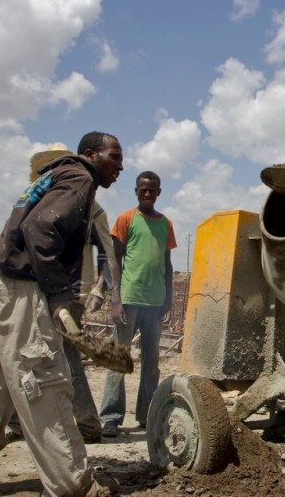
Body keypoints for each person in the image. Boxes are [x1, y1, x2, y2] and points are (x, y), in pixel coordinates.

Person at [0, 132, 124, 497]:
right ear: (91, 155)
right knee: (43, 381)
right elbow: (39, 230)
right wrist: (58, 297)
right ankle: (74, 484)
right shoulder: (79, 177)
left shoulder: (53, 178)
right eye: (114, 156)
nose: (120, 165)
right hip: (21, 286)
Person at [6, 149, 124, 445]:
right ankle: (17, 421)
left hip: (68, 293)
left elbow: (109, 257)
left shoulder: (91, 208)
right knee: (26, 352)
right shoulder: (41, 202)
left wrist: (100, 289)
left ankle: (86, 423)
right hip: (36, 288)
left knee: (68, 355)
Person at [99, 171, 176, 437]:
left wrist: (169, 298)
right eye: (143, 189)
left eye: (152, 189)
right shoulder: (126, 219)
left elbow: (167, 264)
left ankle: (147, 415)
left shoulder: (165, 223)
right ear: (136, 191)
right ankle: (111, 417)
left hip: (154, 303)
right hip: (129, 300)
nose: (147, 193)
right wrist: (115, 299)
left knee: (151, 363)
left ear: (159, 192)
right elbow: (113, 262)